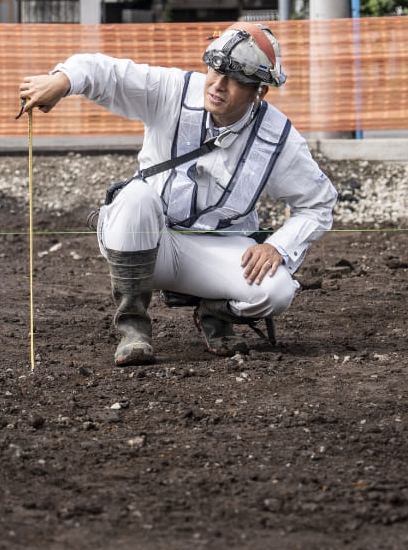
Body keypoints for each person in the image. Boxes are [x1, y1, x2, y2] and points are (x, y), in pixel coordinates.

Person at [18, 22, 336, 366]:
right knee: (135, 196)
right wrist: (61, 81)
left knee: (277, 290)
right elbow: (104, 71)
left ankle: (215, 311)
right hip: (149, 246)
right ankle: (133, 329)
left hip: (218, 250)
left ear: (260, 91)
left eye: (236, 79)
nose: (218, 84)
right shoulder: (173, 90)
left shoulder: (278, 138)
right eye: (215, 69)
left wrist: (278, 245)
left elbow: (318, 203)